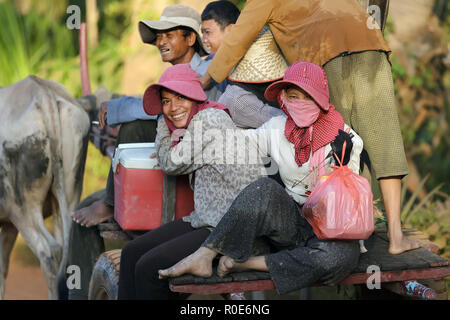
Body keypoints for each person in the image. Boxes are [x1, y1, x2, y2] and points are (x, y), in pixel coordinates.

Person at [199, 0, 419, 255]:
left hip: (325, 56)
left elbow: (237, 39)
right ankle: (395, 237)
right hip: (369, 46)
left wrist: (205, 80)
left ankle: (347, 229)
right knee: (382, 141)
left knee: (336, 148)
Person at [158, 61, 364, 295]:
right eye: (293, 96)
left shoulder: (346, 138)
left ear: (321, 99)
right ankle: (206, 254)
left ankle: (247, 262)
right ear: (284, 98)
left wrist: (339, 164)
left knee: (339, 259)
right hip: (292, 221)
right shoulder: (276, 128)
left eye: (308, 97)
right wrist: (188, 133)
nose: (299, 104)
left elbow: (349, 202)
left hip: (332, 226)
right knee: (263, 188)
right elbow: (234, 144)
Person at [67, 4, 225, 300]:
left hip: (193, 162)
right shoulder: (178, 75)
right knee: (82, 217)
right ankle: (76, 291)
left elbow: (157, 110)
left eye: (168, 35)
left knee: (133, 129)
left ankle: (110, 204)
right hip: (178, 151)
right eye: (158, 37)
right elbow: (151, 105)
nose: (160, 42)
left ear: (191, 39)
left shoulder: (205, 71)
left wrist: (115, 109)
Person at [117, 64, 264, 299]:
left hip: (232, 227)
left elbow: (171, 163)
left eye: (180, 97)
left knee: (149, 267)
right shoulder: (200, 120)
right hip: (207, 219)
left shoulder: (209, 119)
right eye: (165, 101)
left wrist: (162, 127)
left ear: (195, 96)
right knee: (131, 252)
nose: (172, 108)